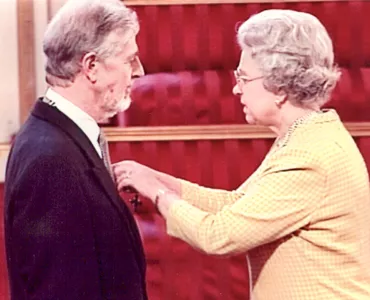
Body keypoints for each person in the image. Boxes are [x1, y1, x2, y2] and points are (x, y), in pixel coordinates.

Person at [113, 9, 370, 300]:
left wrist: (158, 193)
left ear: (279, 85)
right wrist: (153, 178)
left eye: (244, 77)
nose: (235, 88)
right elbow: (237, 204)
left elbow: (220, 235)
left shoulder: (310, 157)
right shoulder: (306, 136)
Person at [4, 0, 147, 299]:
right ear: (91, 67)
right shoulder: (50, 160)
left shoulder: (58, 140)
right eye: (130, 60)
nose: (139, 72)